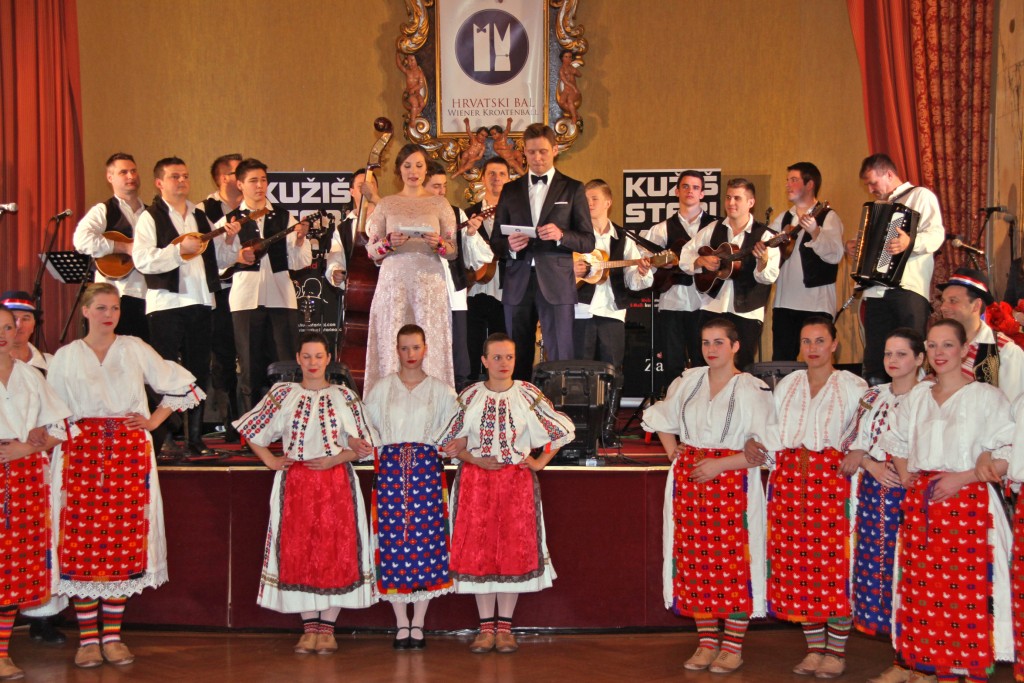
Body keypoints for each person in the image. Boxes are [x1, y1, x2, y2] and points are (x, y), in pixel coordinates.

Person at [47, 283, 206, 669]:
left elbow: (180, 383)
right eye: (101, 308)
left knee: (124, 540)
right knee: (81, 544)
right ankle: (88, 638)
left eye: (115, 308)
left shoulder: (133, 347)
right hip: (80, 454)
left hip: (128, 453)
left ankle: (113, 636)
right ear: (85, 311)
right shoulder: (67, 356)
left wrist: (153, 420)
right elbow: (52, 408)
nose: (109, 315)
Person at [881, 319, 1014, 681]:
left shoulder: (986, 397)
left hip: (970, 509)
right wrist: (907, 476)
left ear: (965, 349)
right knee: (929, 600)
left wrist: (964, 477)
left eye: (948, 345)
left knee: (968, 601)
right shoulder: (917, 397)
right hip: (924, 511)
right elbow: (896, 441)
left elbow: (1008, 452)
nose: (939, 353)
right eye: (933, 345)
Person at [641, 318, 774, 674]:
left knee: (733, 562)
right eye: (705, 343)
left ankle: (732, 646)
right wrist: (673, 452)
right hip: (690, 483)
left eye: (719, 342)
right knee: (695, 561)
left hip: (732, 483)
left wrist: (720, 465)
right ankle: (706, 642)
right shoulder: (689, 381)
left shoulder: (752, 388)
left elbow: (764, 449)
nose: (711, 349)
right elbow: (660, 418)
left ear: (735, 346)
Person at [233, 332, 375, 655]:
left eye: (318, 356)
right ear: (297, 359)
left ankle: (328, 628)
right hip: (295, 483)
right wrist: (270, 460)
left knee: (335, 552)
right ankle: (310, 626)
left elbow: (365, 445)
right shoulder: (283, 393)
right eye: (307, 356)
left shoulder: (345, 396)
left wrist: (338, 456)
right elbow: (250, 428)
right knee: (299, 551)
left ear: (329, 359)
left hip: (336, 482)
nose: (313, 363)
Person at [745, 315, 867, 678]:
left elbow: (866, 432)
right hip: (789, 485)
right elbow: (769, 428)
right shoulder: (789, 384)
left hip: (833, 485)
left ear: (834, 345)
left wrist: (859, 451)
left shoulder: (853, 386)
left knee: (834, 567)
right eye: (806, 341)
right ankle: (814, 649)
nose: (812, 348)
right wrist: (753, 440)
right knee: (798, 567)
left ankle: (836, 652)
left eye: (820, 341)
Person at [438, 334, 575, 654]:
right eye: (497, 357)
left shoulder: (527, 393)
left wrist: (539, 462)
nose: (503, 363)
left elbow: (561, 429)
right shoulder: (471, 395)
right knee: (480, 553)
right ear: (484, 361)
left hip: (515, 484)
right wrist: (473, 458)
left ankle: (505, 628)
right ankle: (486, 627)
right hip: (476, 484)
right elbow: (449, 441)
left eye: (509, 357)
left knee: (512, 552)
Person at [133, 156, 241, 458]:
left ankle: (194, 439)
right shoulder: (149, 217)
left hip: (201, 303)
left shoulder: (200, 216)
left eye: (185, 176)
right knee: (164, 371)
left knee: (197, 372)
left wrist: (229, 242)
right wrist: (178, 251)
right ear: (159, 182)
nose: (181, 181)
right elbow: (142, 260)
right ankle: (165, 437)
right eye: (174, 176)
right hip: (166, 304)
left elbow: (219, 261)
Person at [363, 324, 457, 649]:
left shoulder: (441, 391)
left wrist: (454, 445)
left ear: (425, 348)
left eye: (416, 347)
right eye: (404, 348)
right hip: (390, 473)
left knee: (428, 543)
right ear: (397, 350)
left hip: (426, 473)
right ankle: (401, 622)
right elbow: (366, 428)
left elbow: (455, 430)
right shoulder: (382, 389)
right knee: (393, 544)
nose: (411, 354)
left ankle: (419, 622)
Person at [838, 329, 924, 683]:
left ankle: (919, 663)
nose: (893, 360)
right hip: (874, 495)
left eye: (902, 354)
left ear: (920, 358)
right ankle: (903, 659)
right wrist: (870, 463)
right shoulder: (873, 395)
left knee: (914, 576)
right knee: (882, 574)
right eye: (889, 353)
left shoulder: (928, 396)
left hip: (912, 493)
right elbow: (849, 440)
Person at [0, 305, 74, 680]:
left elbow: (61, 427)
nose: (3, 334)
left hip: (25, 479)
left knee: (13, 566)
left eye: (7, 327)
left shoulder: (30, 376)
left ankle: (1, 654)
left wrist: (29, 446)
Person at [490, 123, 595, 380]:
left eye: (543, 151)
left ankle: (559, 405)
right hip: (518, 281)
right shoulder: (510, 190)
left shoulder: (573, 188)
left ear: (555, 150)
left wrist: (561, 236)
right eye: (531, 152)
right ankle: (518, 401)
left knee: (560, 354)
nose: (537, 158)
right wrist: (510, 247)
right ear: (523, 152)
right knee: (515, 354)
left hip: (557, 282)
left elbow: (587, 241)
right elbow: (495, 242)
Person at [362, 143, 458, 395]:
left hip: (429, 282)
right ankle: (388, 402)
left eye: (418, 165)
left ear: (426, 170)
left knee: (429, 341)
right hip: (393, 282)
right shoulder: (386, 204)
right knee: (392, 339)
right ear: (398, 170)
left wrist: (439, 244)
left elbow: (453, 249)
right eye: (407, 166)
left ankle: (434, 403)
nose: (413, 171)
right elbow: (371, 251)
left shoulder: (440, 204)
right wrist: (388, 243)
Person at [219, 158, 312, 412]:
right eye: (253, 181)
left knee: (286, 366)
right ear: (240, 184)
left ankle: (286, 422)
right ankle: (251, 425)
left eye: (263, 180)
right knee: (250, 368)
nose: (260, 185)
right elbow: (218, 264)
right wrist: (235, 253)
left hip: (281, 298)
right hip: (245, 301)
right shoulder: (229, 221)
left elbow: (300, 261)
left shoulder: (283, 216)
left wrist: (300, 239)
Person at [849, 154, 944, 386]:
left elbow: (936, 235)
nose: (870, 189)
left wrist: (909, 243)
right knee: (876, 356)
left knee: (909, 351)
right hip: (876, 292)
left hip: (907, 289)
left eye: (873, 183)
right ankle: (878, 398)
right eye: (867, 185)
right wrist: (856, 247)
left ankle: (913, 398)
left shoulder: (920, 196)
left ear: (889, 174)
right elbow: (870, 243)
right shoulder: (877, 207)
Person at [680, 178, 780, 371]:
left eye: (737, 198)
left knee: (741, 368)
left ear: (751, 202)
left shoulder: (766, 236)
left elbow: (769, 277)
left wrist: (762, 261)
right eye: (728, 197)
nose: (731, 203)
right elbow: (685, 254)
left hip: (747, 311)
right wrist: (700, 261)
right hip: (712, 307)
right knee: (703, 366)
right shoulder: (713, 228)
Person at [573, 178, 645, 446]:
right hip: (580, 310)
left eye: (594, 198)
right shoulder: (575, 235)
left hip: (612, 312)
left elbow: (634, 282)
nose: (589, 203)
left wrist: (642, 271)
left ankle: (606, 429)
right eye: (586, 199)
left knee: (612, 372)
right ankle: (579, 429)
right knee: (579, 370)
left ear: (608, 202)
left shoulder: (623, 238)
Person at [634, 170, 719, 392]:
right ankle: (674, 405)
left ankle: (704, 406)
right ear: (677, 191)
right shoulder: (661, 229)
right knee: (672, 363)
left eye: (696, 187)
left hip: (706, 303)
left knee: (704, 362)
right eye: (685, 186)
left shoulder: (716, 227)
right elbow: (645, 260)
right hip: (672, 303)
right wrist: (658, 264)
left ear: (702, 193)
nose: (690, 191)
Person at [424, 161, 493, 390]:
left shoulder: (456, 213)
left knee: (457, 350)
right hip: (423, 291)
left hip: (452, 290)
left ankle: (458, 395)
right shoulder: (412, 214)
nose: (442, 191)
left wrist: (471, 233)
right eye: (436, 186)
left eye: (444, 185)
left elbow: (478, 259)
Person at [769, 162, 845, 361]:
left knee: (819, 361)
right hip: (784, 304)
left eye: (794, 180)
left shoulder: (828, 216)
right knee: (782, 362)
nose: (787, 185)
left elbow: (836, 254)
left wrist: (815, 231)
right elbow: (767, 251)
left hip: (817, 306)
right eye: (787, 180)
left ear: (810, 184)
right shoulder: (783, 218)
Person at [73, 153, 150, 340]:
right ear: (110, 177)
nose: (131, 176)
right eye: (123, 172)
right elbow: (81, 240)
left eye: (133, 171)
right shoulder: (103, 210)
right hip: (116, 297)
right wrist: (123, 247)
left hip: (148, 296)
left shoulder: (151, 213)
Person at [198, 153, 243, 442]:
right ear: (223, 178)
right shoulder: (203, 210)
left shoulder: (257, 206)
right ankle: (228, 420)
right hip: (222, 291)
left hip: (251, 291)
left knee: (252, 356)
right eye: (238, 172)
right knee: (223, 356)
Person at [937, 267, 1024, 402]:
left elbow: (1015, 408)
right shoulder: (931, 346)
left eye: (953, 301)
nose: (943, 307)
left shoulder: (1005, 352)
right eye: (943, 301)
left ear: (976, 305)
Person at [466, 157, 510, 382]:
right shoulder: (469, 213)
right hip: (476, 285)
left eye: (502, 174)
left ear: (509, 179)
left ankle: (501, 386)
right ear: (483, 178)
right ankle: (472, 385)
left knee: (500, 340)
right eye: (491, 173)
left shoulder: (515, 213)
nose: (496, 178)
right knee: (473, 341)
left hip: (506, 287)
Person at [397, 52, 426, 123]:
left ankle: (413, 114)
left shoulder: (420, 73)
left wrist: (414, 89)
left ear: (417, 61)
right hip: (409, 94)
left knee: (422, 104)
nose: (410, 63)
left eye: (412, 60)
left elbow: (421, 84)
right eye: (408, 60)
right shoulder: (408, 72)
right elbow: (400, 65)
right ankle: (412, 121)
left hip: (416, 94)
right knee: (415, 103)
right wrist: (397, 54)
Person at [556, 50, 582, 124]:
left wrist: (575, 71)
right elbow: (565, 82)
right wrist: (574, 88)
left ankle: (574, 116)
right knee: (561, 102)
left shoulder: (571, 68)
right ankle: (575, 112)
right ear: (562, 58)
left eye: (570, 57)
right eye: (566, 57)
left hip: (573, 90)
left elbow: (580, 75)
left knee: (570, 100)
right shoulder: (562, 70)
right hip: (567, 89)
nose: (568, 59)